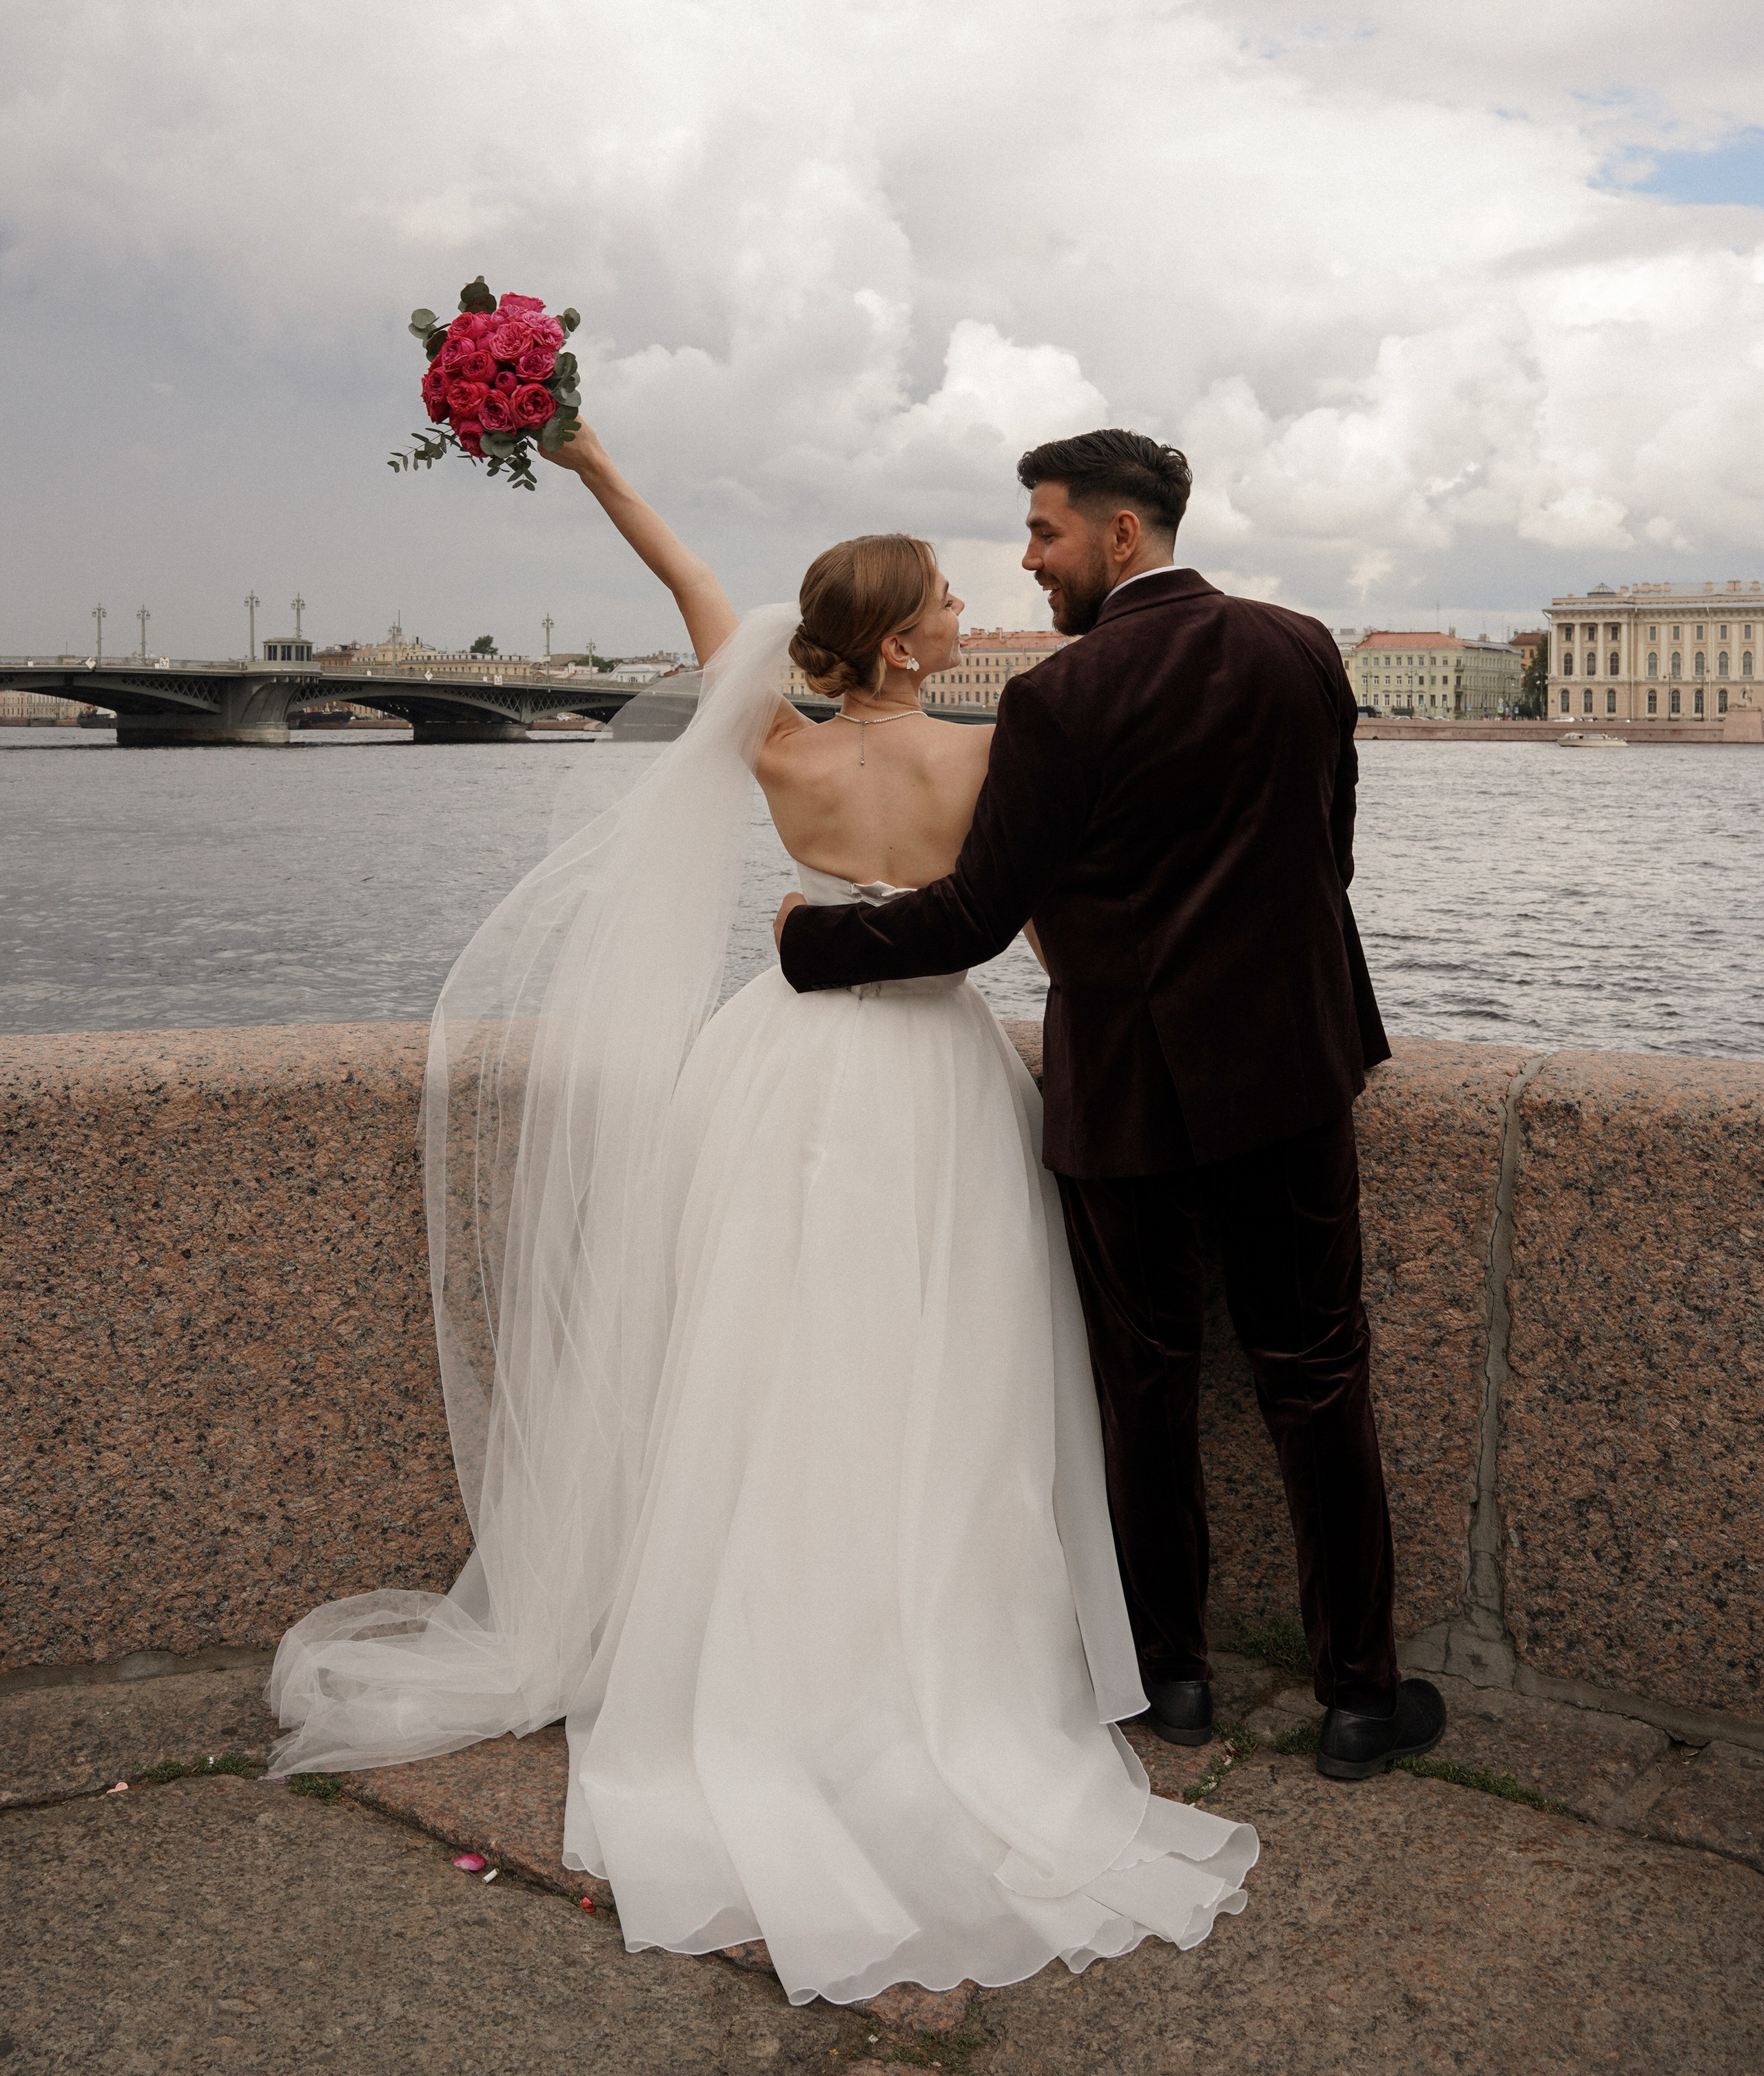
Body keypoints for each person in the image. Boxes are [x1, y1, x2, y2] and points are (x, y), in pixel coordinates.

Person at [269, 415, 1256, 2008]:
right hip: (927, 1071)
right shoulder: (992, 751)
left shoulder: (773, 743)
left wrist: (585, 459)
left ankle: (744, 1637)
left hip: (780, 1060)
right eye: (939, 593)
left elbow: (689, 578)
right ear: (898, 633)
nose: (963, 604)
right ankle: (933, 1645)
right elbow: (1027, 913)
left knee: (755, 1352)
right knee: (940, 1364)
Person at [777, 427, 1447, 1784]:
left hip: (1127, 1091)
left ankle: (1171, 1683)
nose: (1025, 562)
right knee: (1316, 1378)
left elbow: (972, 918)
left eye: (1042, 533)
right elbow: (1329, 858)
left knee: (1141, 1391)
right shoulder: (1298, 648)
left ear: (1119, 537)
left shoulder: (1059, 701)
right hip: (1288, 1072)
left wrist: (811, 945)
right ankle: (1360, 1699)